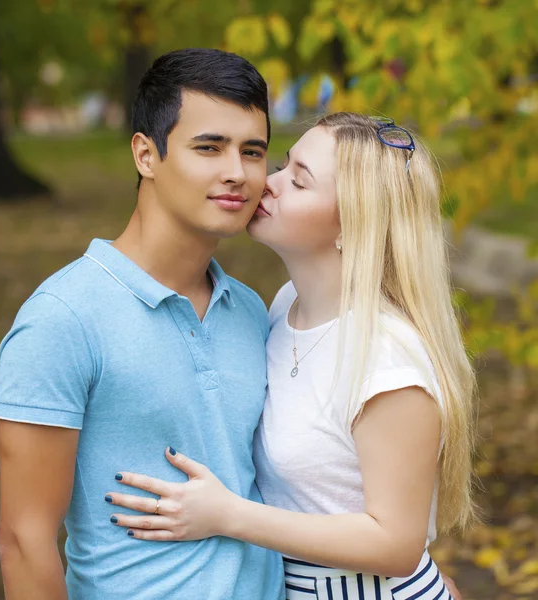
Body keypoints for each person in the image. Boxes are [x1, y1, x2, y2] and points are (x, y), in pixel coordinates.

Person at [106, 113, 476, 599]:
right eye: (283, 165)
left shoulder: (387, 360)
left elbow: (397, 545)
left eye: (298, 181)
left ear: (354, 223)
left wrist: (229, 515)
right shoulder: (285, 307)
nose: (266, 183)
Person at [0, 48, 286, 600]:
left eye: (252, 151)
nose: (236, 173)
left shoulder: (250, 309)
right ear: (146, 155)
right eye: (209, 147)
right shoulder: (63, 318)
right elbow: (25, 542)